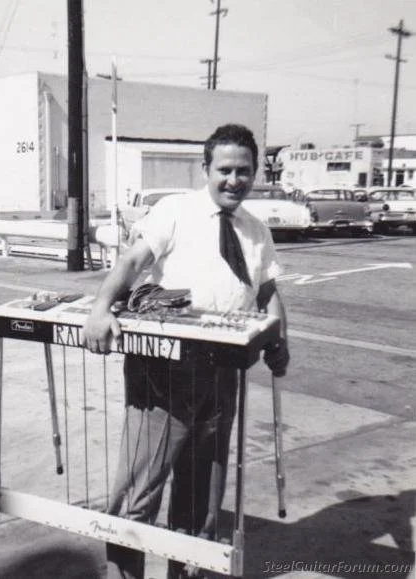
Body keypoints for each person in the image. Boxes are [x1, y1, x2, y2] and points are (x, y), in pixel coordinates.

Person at [81, 124, 289, 579]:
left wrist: (279, 340)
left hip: (223, 374)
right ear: (206, 170)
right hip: (164, 371)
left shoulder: (256, 231)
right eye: (225, 170)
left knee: (201, 498)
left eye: (244, 171)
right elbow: (133, 262)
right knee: (140, 489)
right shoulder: (175, 211)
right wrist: (100, 307)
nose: (235, 180)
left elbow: (268, 290)